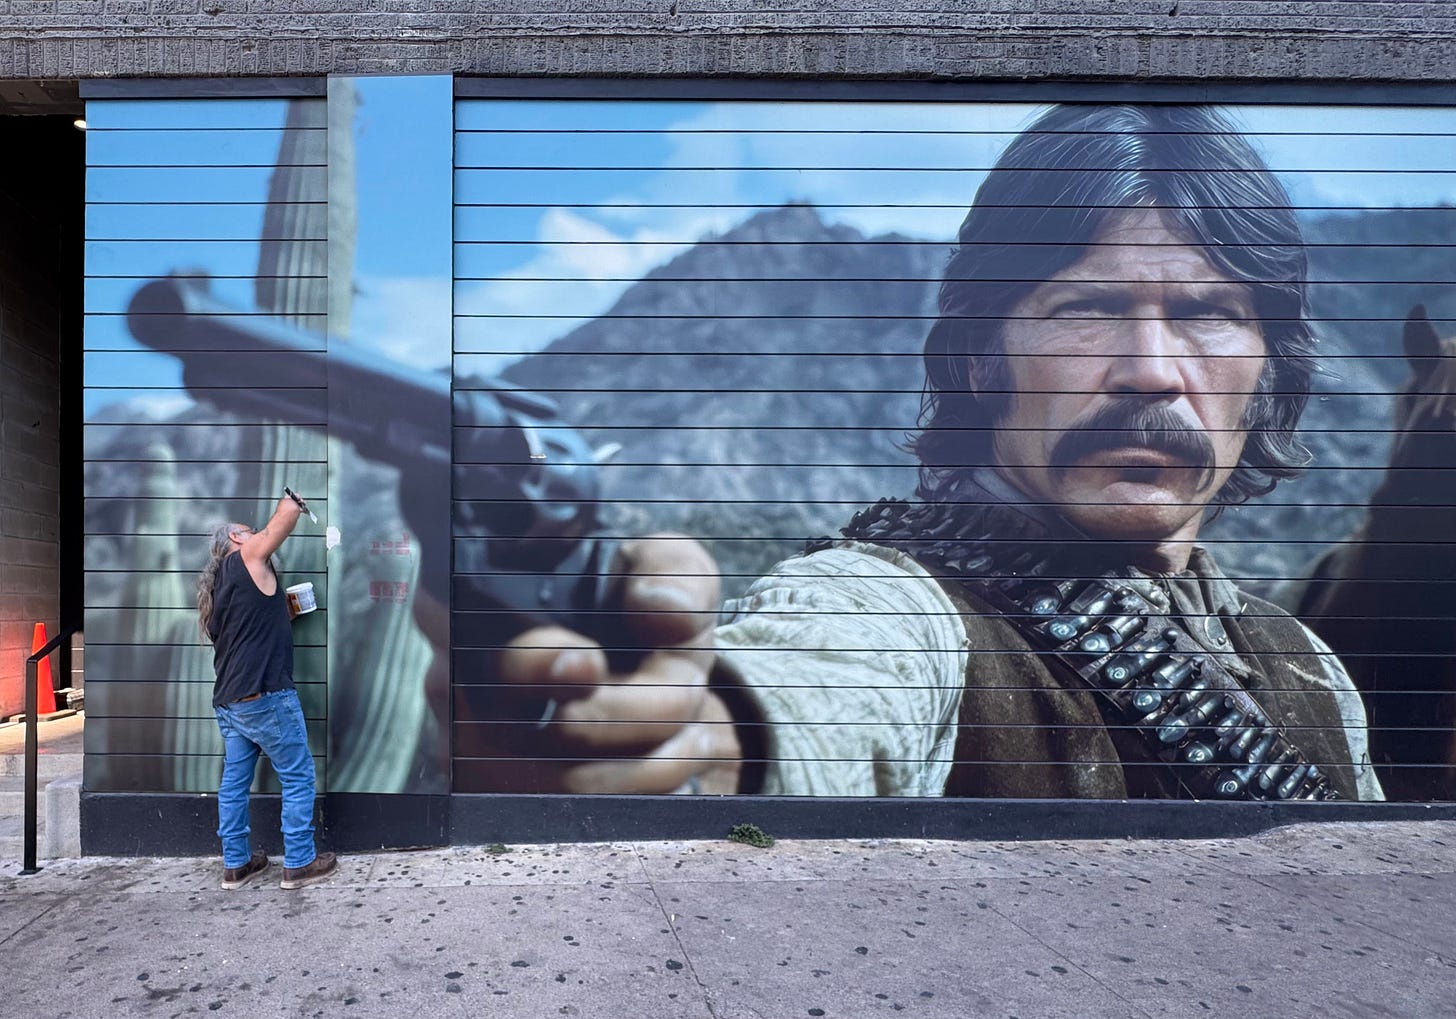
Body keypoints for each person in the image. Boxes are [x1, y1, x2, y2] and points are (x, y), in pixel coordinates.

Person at [474, 102, 1384, 802]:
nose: (1150, 370)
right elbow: (809, 689)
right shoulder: (896, 604)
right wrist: (694, 739)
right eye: (1089, 308)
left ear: (1268, 369)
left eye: (1205, 315)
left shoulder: (1307, 662)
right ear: (983, 355)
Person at [197, 491, 338, 888]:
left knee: (235, 782)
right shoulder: (243, 559)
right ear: (237, 541)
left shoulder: (224, 587)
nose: (256, 533)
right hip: (266, 697)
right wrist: (292, 501)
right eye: (248, 531)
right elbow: (282, 522)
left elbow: (251, 633)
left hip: (230, 702)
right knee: (297, 776)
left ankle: (237, 864)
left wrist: (283, 610)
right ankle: (298, 862)